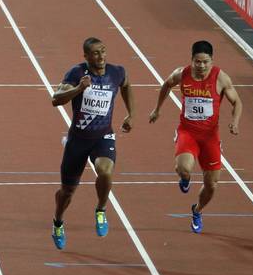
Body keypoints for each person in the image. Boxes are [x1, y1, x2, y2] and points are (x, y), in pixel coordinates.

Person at [148, 40, 241, 234]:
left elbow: (237, 102)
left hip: (210, 137)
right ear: (191, 60)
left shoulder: (221, 78)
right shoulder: (182, 74)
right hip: (187, 132)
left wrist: (235, 122)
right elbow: (166, 85)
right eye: (197, 62)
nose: (201, 66)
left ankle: (197, 210)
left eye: (205, 62)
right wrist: (157, 110)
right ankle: (185, 178)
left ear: (211, 61)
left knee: (212, 185)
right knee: (184, 169)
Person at [50, 37, 132, 250]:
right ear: (86, 57)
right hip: (77, 141)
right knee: (67, 192)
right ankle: (58, 221)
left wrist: (131, 114)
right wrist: (78, 89)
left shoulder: (116, 72)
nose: (101, 56)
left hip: (103, 137)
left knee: (105, 171)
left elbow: (127, 85)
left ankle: (101, 209)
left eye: (103, 51)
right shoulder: (76, 74)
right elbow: (55, 99)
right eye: (95, 53)